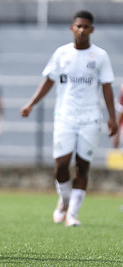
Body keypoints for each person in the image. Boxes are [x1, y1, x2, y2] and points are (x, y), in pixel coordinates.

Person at [20, 10, 117, 227]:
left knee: (82, 166)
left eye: (86, 26)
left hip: (90, 118)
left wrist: (112, 117)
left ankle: (72, 214)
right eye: (78, 26)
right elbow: (48, 81)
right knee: (61, 165)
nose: (82, 30)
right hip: (65, 117)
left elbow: (107, 87)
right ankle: (64, 201)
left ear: (92, 30)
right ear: (72, 28)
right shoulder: (61, 54)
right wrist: (31, 104)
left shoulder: (99, 56)